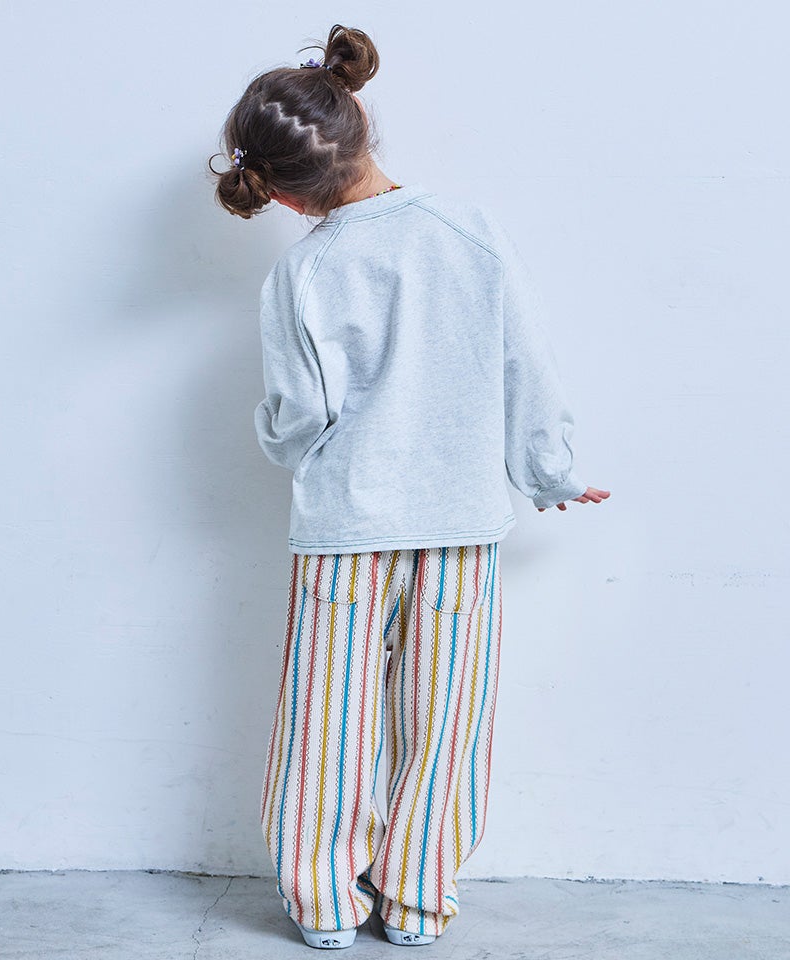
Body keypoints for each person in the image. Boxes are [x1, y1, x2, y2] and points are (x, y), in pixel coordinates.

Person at [210, 23, 610, 951]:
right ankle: (419, 902)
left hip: (347, 529)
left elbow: (299, 417)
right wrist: (550, 472)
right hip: (460, 524)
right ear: (358, 122)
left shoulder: (304, 271)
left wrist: (270, 435)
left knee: (326, 724)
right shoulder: (469, 230)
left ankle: (323, 905)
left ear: (282, 195)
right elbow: (525, 362)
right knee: (445, 724)